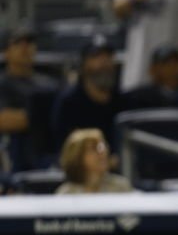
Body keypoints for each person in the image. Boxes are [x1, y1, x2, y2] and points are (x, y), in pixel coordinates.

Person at [0, 26, 61, 172]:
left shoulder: (50, 83)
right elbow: (4, 121)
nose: (25, 47)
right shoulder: (3, 84)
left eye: (29, 42)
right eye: (18, 43)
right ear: (6, 52)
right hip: (13, 153)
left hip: (48, 150)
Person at [51, 35, 120, 152]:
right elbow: (67, 151)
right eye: (96, 57)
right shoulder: (70, 103)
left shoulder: (122, 100)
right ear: (83, 65)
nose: (104, 62)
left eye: (108, 56)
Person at [120, 44, 178, 113]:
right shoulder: (138, 98)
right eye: (166, 63)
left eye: (176, 63)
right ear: (152, 69)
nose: (172, 68)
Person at [55, 127, 133, 194]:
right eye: (93, 148)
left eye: (102, 147)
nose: (102, 153)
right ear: (77, 157)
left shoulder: (121, 187)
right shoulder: (67, 193)